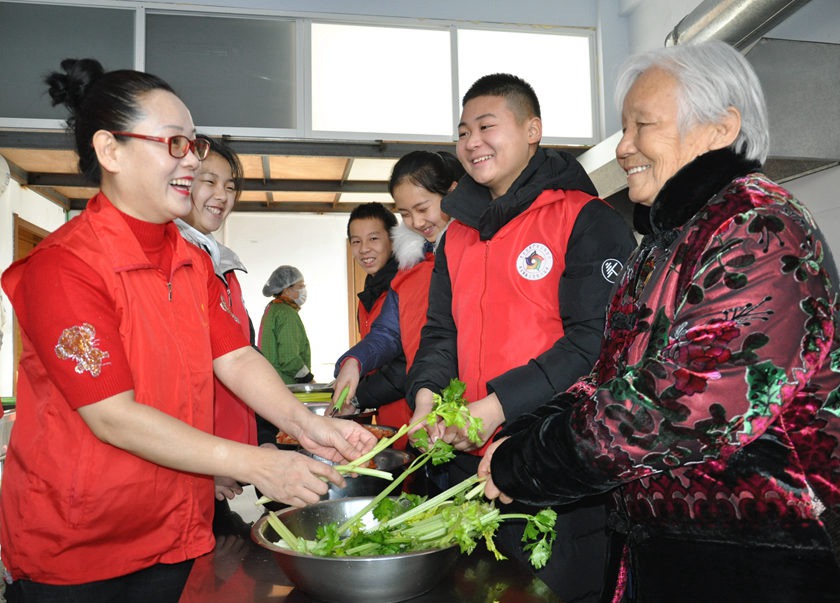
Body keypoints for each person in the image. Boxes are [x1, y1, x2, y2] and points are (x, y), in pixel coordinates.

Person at [0, 58, 376, 602]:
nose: (193, 160)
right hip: (81, 545)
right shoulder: (66, 266)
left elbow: (236, 357)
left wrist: (307, 426)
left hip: (174, 529)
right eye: (174, 143)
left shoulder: (191, 259)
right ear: (110, 151)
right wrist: (258, 463)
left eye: (193, 144)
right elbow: (113, 415)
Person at [478, 41, 840, 602]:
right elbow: (608, 377)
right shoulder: (664, 241)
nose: (624, 147)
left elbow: (683, 401)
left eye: (642, 125)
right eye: (623, 128)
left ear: (720, 128)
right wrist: (523, 431)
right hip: (671, 550)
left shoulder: (760, 227)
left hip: (762, 557)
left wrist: (530, 461)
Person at [406, 73, 637, 600]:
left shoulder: (586, 219)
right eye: (463, 132)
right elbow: (441, 333)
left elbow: (596, 345)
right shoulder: (457, 235)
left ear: (533, 130)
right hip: (466, 470)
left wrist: (498, 406)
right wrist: (425, 395)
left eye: (487, 126)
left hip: (552, 465)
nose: (472, 142)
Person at [176, 136, 275, 535]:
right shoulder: (174, 264)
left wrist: (264, 437)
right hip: (194, 467)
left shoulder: (222, 269)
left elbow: (242, 356)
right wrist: (207, 465)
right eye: (209, 181)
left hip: (224, 463)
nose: (222, 195)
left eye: (230, 186)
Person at [332, 151, 464, 450]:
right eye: (405, 214)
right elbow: (388, 333)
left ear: (452, 193)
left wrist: (362, 396)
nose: (416, 222)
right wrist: (355, 361)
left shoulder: (471, 255)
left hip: (459, 411)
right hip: (423, 407)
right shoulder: (410, 265)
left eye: (422, 208)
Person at [258, 265, 314, 385]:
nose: (304, 290)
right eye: (300, 286)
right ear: (287, 290)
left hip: (271, 381)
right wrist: (308, 379)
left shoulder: (273, 308)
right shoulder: (286, 313)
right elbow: (289, 358)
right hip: (286, 384)